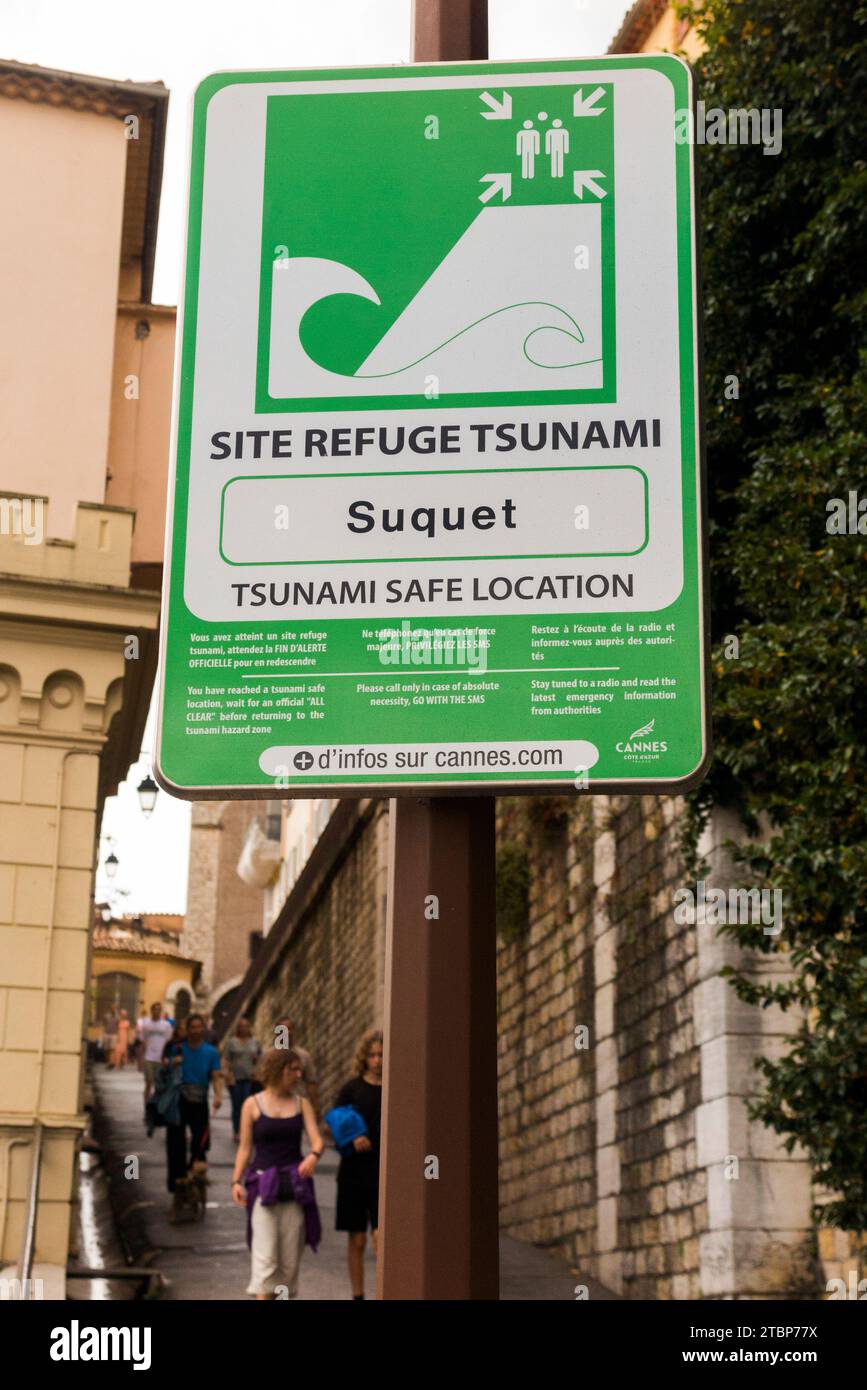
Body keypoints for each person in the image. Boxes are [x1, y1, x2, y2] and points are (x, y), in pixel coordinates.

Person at [232, 1048, 323, 1300]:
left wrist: (313, 1157)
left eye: (299, 1070)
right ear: (276, 1069)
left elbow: (317, 1141)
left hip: (295, 1186)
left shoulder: (301, 1104)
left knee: (289, 1262)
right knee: (266, 1257)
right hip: (264, 1185)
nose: (298, 1074)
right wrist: (236, 1181)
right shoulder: (252, 1104)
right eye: (292, 1069)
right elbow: (245, 1148)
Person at [333, 1029, 383, 1300]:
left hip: (382, 1173)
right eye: (372, 1055)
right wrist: (354, 1138)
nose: (377, 1061)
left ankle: (384, 1291)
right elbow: (335, 1124)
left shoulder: (395, 1089)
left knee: (380, 1237)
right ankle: (358, 1296)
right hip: (353, 1172)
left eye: (382, 1055)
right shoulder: (351, 1089)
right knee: (357, 1239)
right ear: (364, 1058)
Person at [164, 1013, 223, 1215]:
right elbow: (165, 1071)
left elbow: (216, 1075)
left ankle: (194, 1179)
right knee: (175, 1143)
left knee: (200, 1143)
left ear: (204, 1029)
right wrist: (173, 1063)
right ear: (187, 1029)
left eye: (200, 1027)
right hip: (179, 1100)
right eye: (192, 1027)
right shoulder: (177, 1048)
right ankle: (178, 1184)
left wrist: (218, 1095)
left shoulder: (211, 1052)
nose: (196, 1030)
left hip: (199, 1101)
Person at [223, 1017, 262, 1142]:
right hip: (235, 1079)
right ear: (238, 1028)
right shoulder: (232, 1042)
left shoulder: (255, 1042)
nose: (243, 1028)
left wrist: (257, 1064)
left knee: (248, 1106)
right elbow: (226, 1060)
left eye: (246, 1026)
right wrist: (227, 1074)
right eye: (241, 1026)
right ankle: (237, 1131)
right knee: (236, 1106)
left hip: (250, 1079)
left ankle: (247, 1131)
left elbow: (261, 1060)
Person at [273, 1016, 320, 1118]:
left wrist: (316, 1108)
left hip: (299, 1108)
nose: (288, 1032)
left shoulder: (304, 1056)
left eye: (290, 1029)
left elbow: (311, 1083)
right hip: (275, 1109)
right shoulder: (269, 1057)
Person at [138, 1002, 174, 1116]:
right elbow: (143, 1041)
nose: (157, 1011)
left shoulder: (166, 1025)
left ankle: (158, 1109)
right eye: (155, 1009)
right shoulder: (146, 1024)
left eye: (159, 1009)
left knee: (159, 1085)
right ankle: (146, 1108)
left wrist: (168, 1058)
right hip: (149, 1057)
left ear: (161, 1011)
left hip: (161, 1058)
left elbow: (169, 1042)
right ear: (151, 1010)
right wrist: (141, 1059)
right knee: (148, 1083)